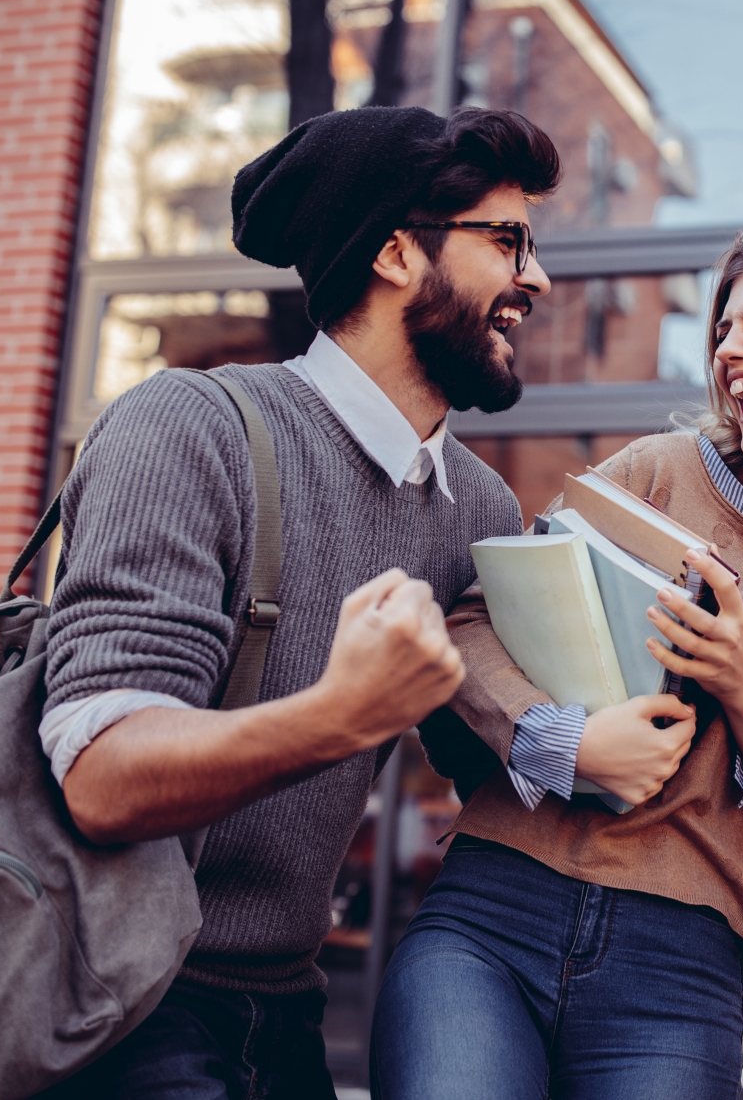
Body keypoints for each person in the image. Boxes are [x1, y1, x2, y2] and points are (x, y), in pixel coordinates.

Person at [373, 228, 743, 1099]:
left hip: (680, 969)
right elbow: (471, 620)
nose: (730, 349)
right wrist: (564, 741)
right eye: (723, 330)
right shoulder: (658, 470)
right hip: (494, 908)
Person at [40, 105, 557, 1099]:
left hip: (287, 1005)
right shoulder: (190, 427)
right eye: (505, 241)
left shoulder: (478, 506)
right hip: (115, 997)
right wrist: (337, 717)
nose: (533, 278)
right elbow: (102, 776)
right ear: (396, 252)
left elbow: (500, 764)